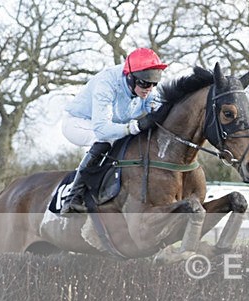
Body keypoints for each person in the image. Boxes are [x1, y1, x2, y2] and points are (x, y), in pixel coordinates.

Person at [60, 47, 171, 214]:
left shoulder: (146, 88)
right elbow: (102, 129)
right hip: (79, 123)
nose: (149, 88)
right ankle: (73, 197)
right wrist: (135, 126)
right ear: (130, 77)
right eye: (145, 83)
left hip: (109, 125)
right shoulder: (107, 83)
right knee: (105, 140)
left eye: (154, 83)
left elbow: (154, 110)